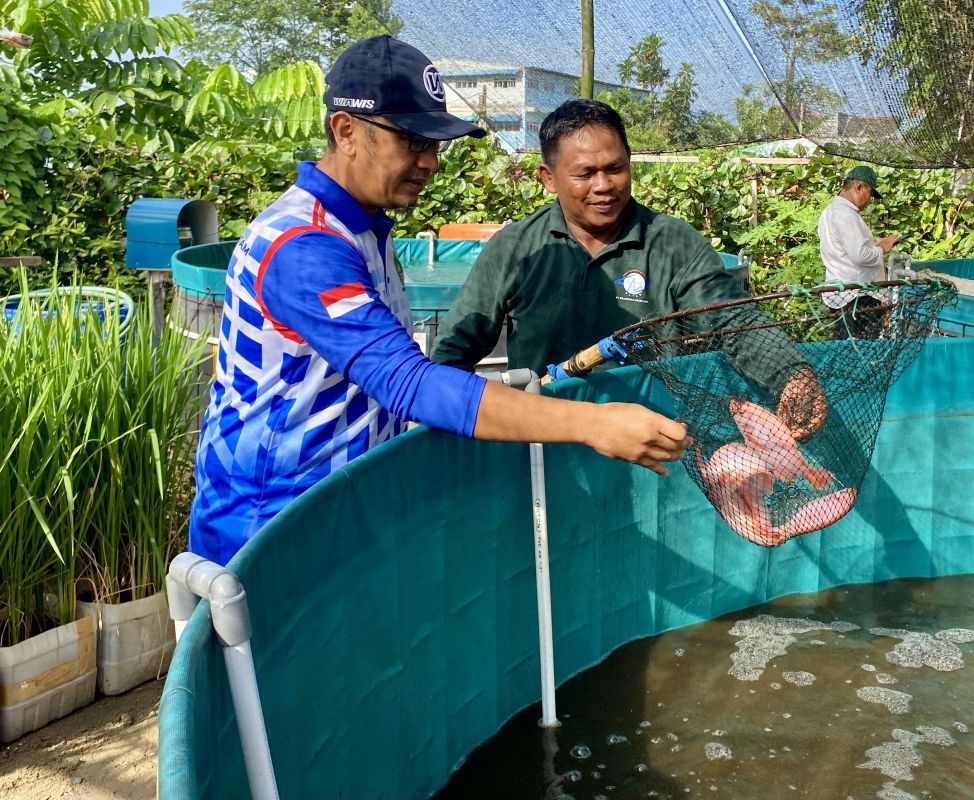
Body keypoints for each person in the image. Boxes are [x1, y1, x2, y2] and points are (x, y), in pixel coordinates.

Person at [188, 38, 688, 566]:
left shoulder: (364, 229)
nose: (429, 162)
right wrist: (594, 424)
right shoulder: (304, 246)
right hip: (265, 527)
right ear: (345, 131)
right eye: (412, 140)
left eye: (436, 144)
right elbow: (408, 382)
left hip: (335, 509)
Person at [430, 99, 826, 441]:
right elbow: (454, 353)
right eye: (585, 174)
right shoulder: (515, 249)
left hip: (651, 443)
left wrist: (789, 374)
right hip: (545, 446)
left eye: (615, 168)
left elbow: (732, 317)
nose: (603, 185)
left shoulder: (671, 243)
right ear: (548, 178)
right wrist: (441, 422)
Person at [817, 165, 900, 339]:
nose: (870, 200)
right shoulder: (846, 215)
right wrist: (881, 248)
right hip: (857, 298)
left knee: (844, 346)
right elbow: (860, 256)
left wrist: (875, 245)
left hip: (842, 295)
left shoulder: (830, 212)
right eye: (870, 194)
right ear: (860, 187)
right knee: (862, 350)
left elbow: (848, 252)